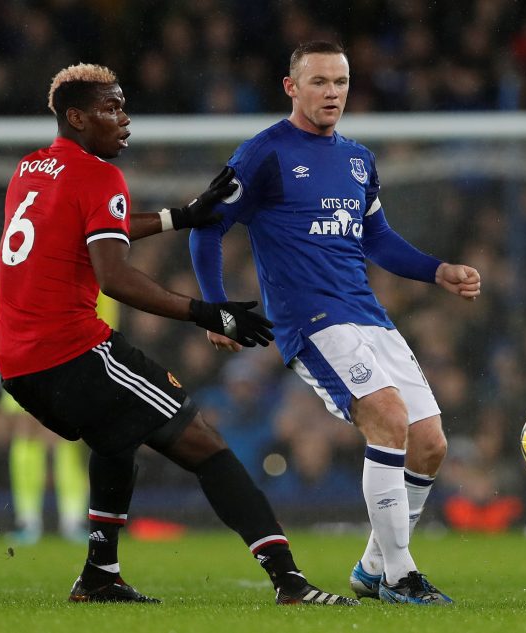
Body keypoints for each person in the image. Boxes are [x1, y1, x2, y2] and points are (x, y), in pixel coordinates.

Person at [0, 62, 359, 606]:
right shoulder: (98, 176)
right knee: (204, 443)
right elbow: (114, 276)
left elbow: (98, 225)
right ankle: (289, 580)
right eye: (110, 108)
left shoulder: (31, 169)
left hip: (18, 363)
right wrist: (207, 313)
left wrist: (180, 216)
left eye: (124, 106)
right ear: (77, 117)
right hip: (71, 352)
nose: (125, 119)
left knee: (116, 438)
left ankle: (100, 574)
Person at [190, 41, 481, 605]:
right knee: (388, 418)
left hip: (366, 314)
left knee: (429, 443)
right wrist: (215, 306)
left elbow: (377, 238)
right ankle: (400, 577)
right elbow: (206, 226)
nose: (332, 93)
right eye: (319, 81)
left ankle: (372, 568)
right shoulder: (263, 153)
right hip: (310, 320)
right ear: (291, 87)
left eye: (341, 82)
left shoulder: (358, 160)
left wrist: (438, 270)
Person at [0, 290, 117, 545]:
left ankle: (72, 519)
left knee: (71, 434)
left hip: (76, 354)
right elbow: (2, 310)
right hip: (26, 352)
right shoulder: (13, 264)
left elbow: (105, 311)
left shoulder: (92, 269)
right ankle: (27, 520)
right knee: (27, 432)